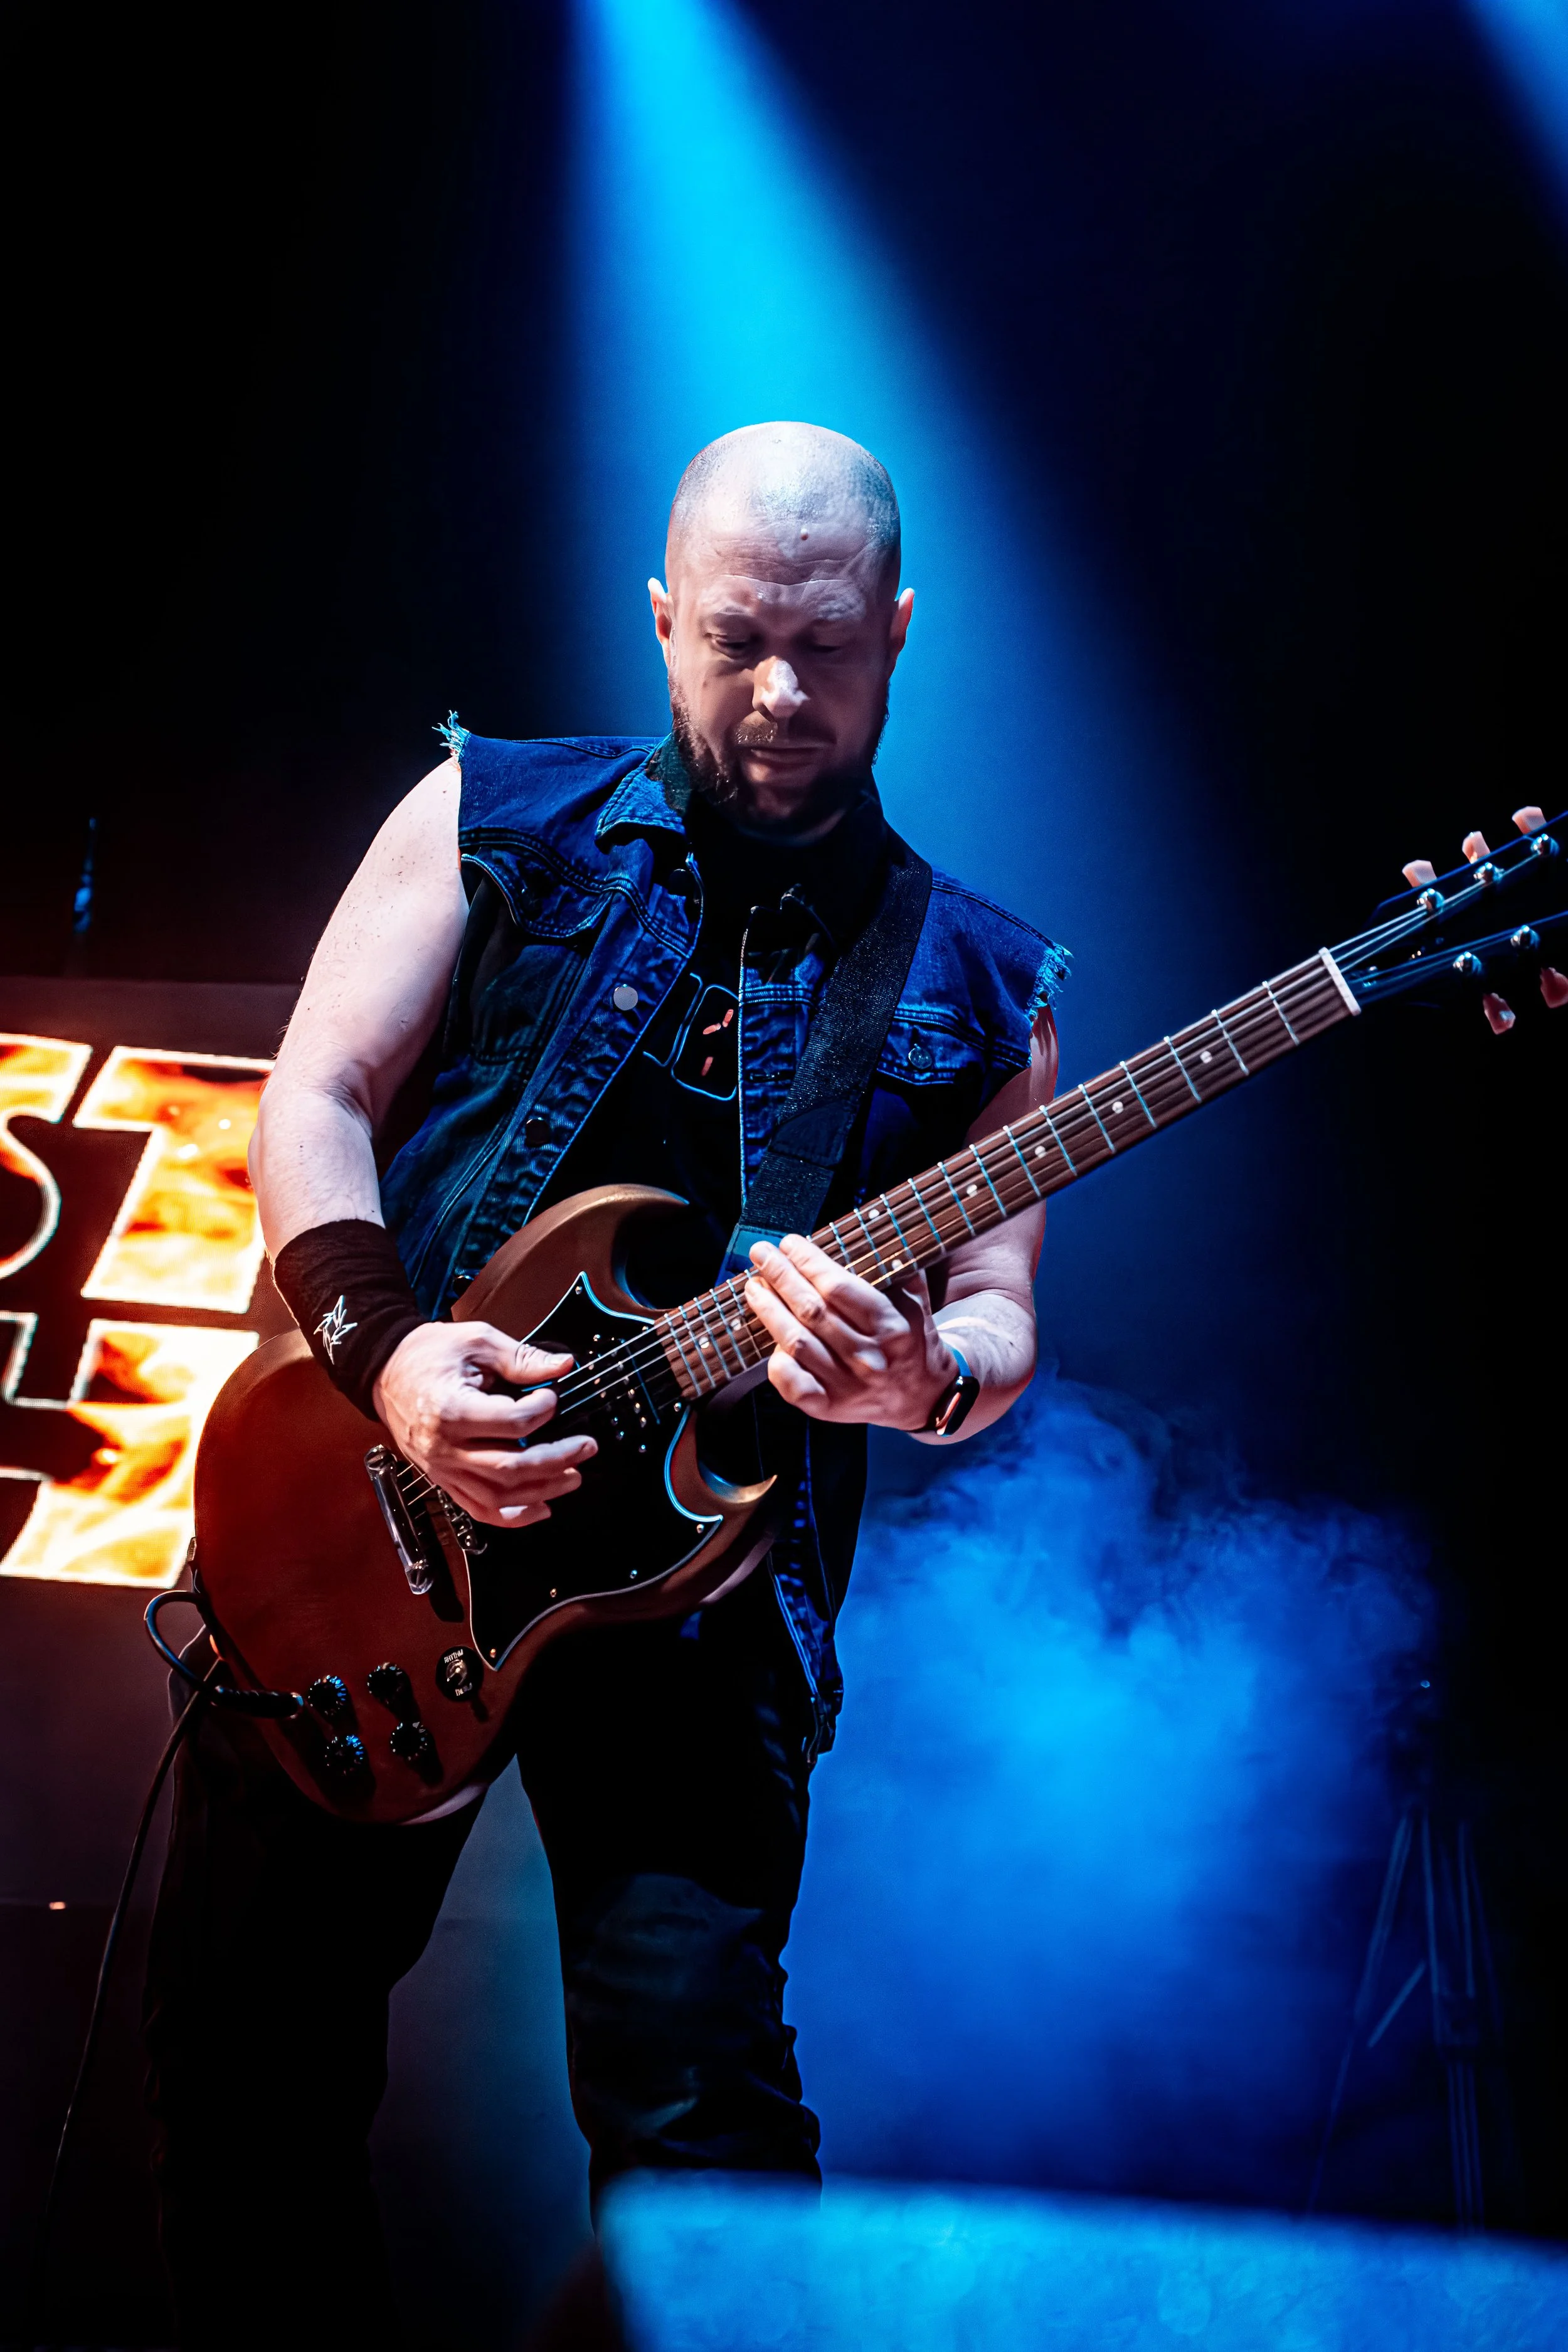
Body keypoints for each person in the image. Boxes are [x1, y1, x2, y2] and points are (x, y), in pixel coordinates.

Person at [142, 421, 1065, 2343]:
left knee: (701, 2141)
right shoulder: (490, 811)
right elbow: (312, 1095)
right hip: (370, 1518)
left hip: (702, 1614)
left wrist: (918, 1376)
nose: (782, 690)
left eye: (827, 643)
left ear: (900, 630)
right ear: (659, 617)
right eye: (735, 638)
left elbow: (995, 1321)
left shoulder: (980, 981)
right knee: (248, 2068)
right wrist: (395, 1362)